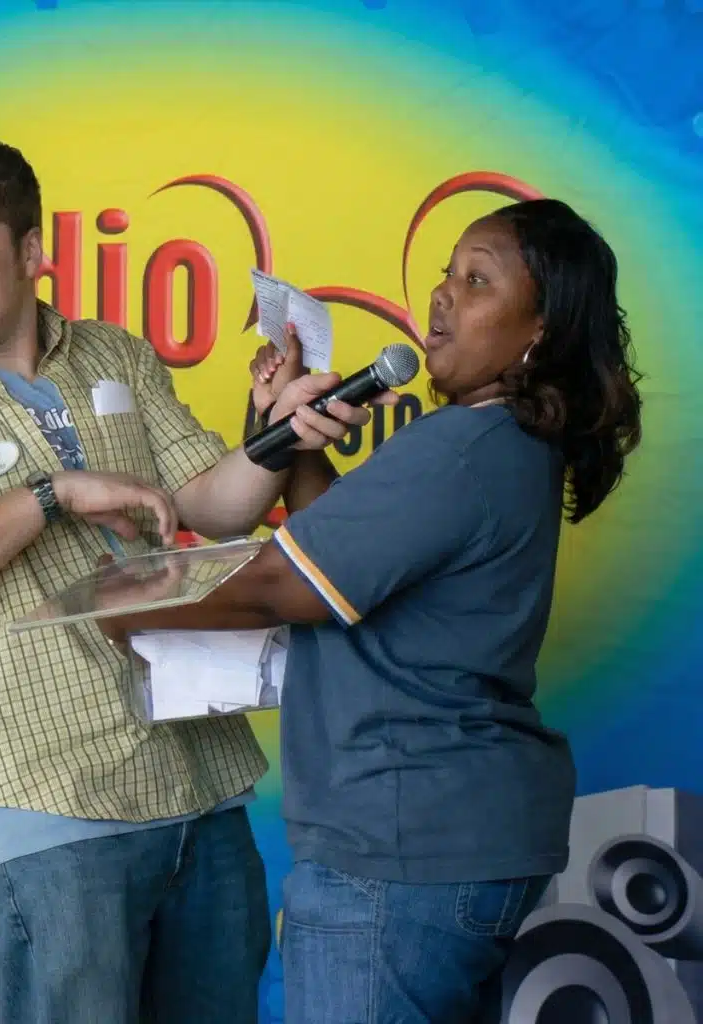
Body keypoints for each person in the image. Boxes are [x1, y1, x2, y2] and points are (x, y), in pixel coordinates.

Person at [0, 126, 373, 1024]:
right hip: (47, 804)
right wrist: (52, 495)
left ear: (30, 251)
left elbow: (215, 504)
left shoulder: (115, 354)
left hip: (196, 787)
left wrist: (282, 433)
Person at [97, 198, 644, 1023]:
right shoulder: (504, 443)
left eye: (478, 281)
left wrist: (124, 606)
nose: (443, 295)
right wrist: (295, 440)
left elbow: (284, 585)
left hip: (399, 852)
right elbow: (346, 557)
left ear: (540, 329)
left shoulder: (460, 449)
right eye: (447, 274)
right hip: (463, 840)